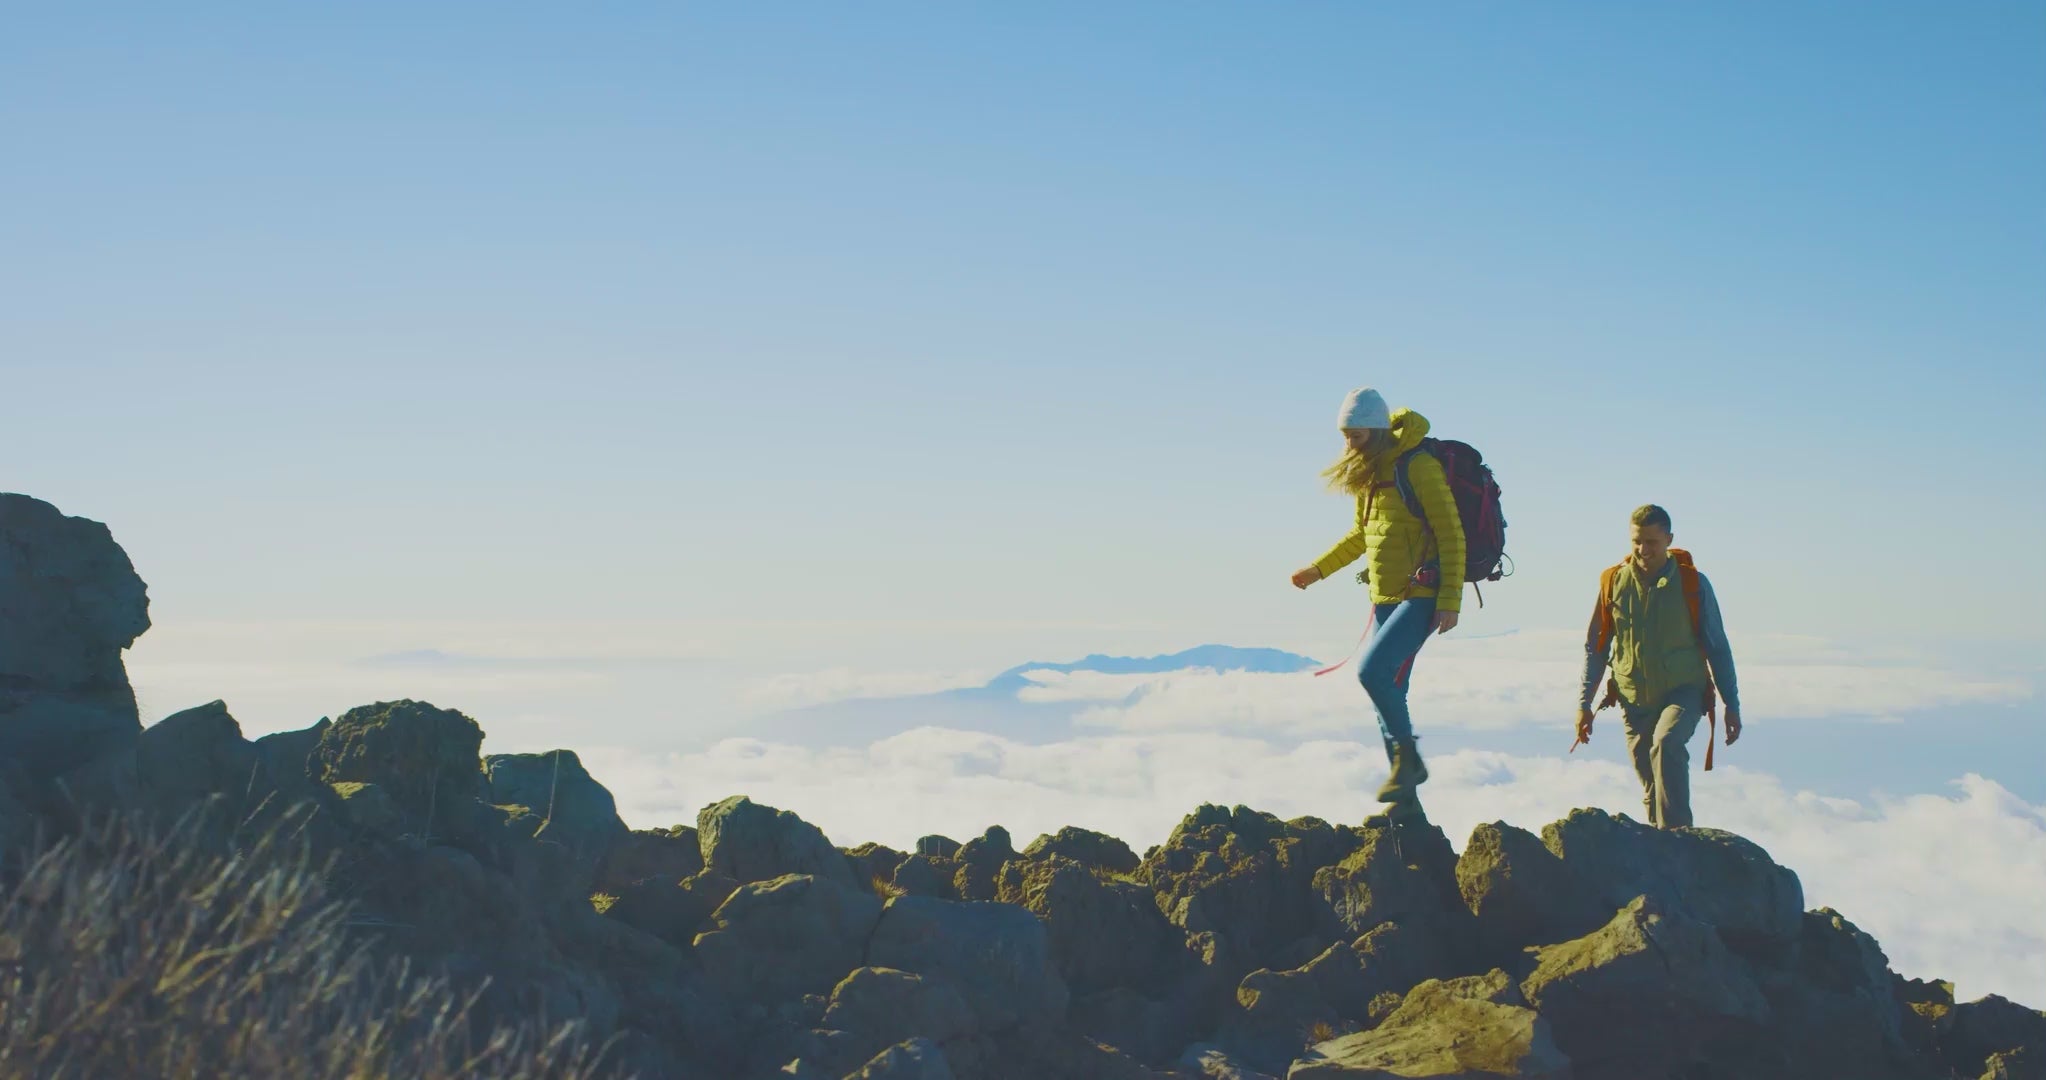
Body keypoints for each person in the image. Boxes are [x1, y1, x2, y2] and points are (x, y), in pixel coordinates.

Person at [1292, 387, 1465, 812]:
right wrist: (1318, 569)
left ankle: (1409, 761)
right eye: (1345, 436)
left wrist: (1450, 600)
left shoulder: (1418, 467)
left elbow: (1451, 532)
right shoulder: (1369, 474)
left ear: (1377, 429)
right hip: (1385, 595)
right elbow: (1362, 535)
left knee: (1372, 673)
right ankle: (1406, 806)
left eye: (1357, 436)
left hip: (1421, 595)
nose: (1349, 444)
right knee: (1389, 691)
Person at [1575, 504, 1744, 829]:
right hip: (1633, 697)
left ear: (1668, 539)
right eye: (1637, 541)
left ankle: (1680, 840)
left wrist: (1731, 705)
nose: (1643, 550)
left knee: (1666, 745)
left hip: (1684, 691)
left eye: (1651, 542)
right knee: (1652, 786)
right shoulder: (1613, 583)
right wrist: (1584, 704)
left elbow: (1718, 647)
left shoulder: (1692, 584)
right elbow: (1595, 648)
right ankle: (1660, 855)